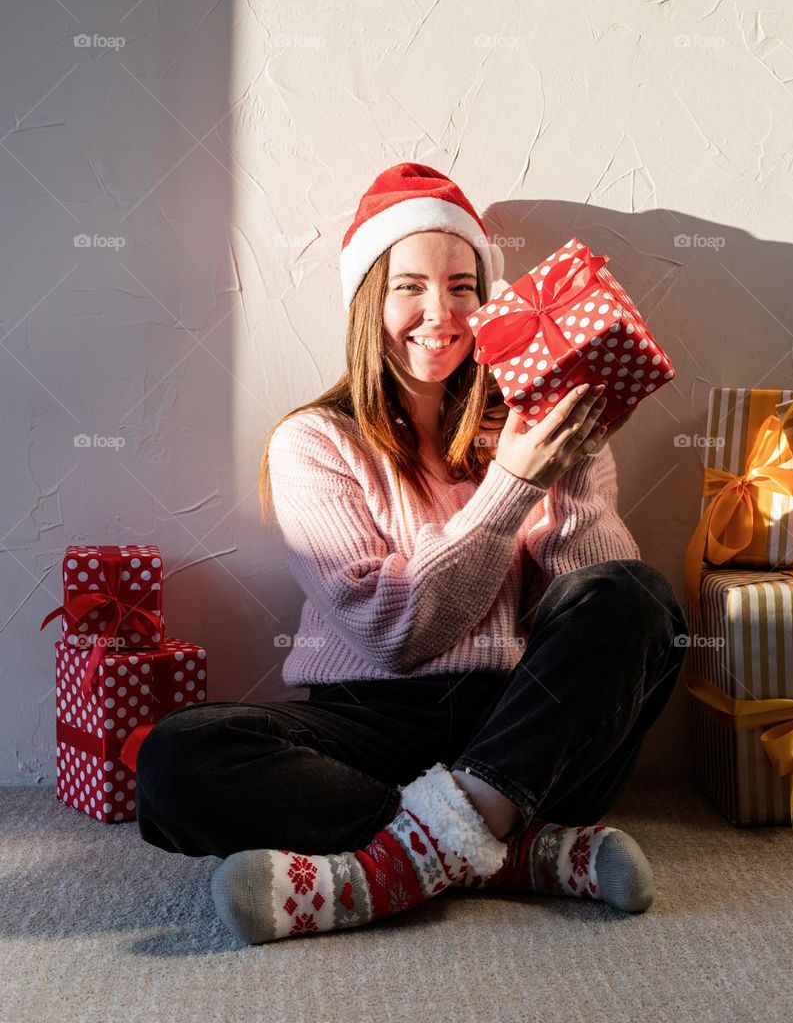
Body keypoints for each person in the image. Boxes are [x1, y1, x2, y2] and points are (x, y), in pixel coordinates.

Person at [135, 162, 688, 945]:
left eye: (464, 286)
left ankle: (394, 861)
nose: (442, 312)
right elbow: (397, 636)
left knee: (636, 594)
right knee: (176, 758)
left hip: (524, 731)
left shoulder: (535, 429)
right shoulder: (313, 442)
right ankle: (509, 852)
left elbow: (595, 620)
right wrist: (510, 488)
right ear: (368, 302)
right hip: (373, 729)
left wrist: (566, 482)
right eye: (409, 287)